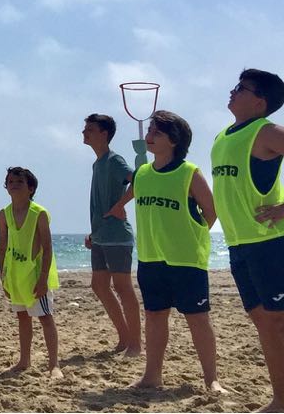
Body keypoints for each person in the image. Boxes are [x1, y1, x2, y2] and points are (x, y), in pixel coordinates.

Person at [211, 69, 284, 413]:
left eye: (241, 89)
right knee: (264, 320)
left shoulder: (265, 131)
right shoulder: (223, 136)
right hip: (241, 243)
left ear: (260, 101)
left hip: (275, 240)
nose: (232, 92)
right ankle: (281, 399)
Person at [107, 111, 225, 394]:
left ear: (173, 140)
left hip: (186, 260)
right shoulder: (143, 174)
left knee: (197, 320)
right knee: (155, 317)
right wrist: (117, 209)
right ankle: (152, 376)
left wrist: (192, 236)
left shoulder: (189, 173)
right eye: (150, 130)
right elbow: (126, 200)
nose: (149, 136)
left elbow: (210, 212)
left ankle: (212, 380)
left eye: (156, 132)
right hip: (150, 259)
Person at [82, 113, 142, 355]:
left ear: (104, 133)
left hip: (118, 235)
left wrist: (121, 205)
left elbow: (139, 178)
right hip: (102, 234)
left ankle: (135, 344)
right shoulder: (98, 163)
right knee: (99, 285)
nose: (84, 133)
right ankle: (125, 338)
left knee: (123, 286)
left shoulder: (115, 160)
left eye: (90, 129)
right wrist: (94, 231)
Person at [0, 167, 62, 379]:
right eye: (10, 181)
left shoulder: (39, 213)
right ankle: (24, 360)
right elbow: (2, 246)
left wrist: (43, 278)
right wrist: (3, 276)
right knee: (22, 317)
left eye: (19, 181)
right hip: (15, 274)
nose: (14, 184)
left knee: (45, 317)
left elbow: (48, 246)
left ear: (31, 188)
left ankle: (54, 365)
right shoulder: (4, 214)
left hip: (35, 274)